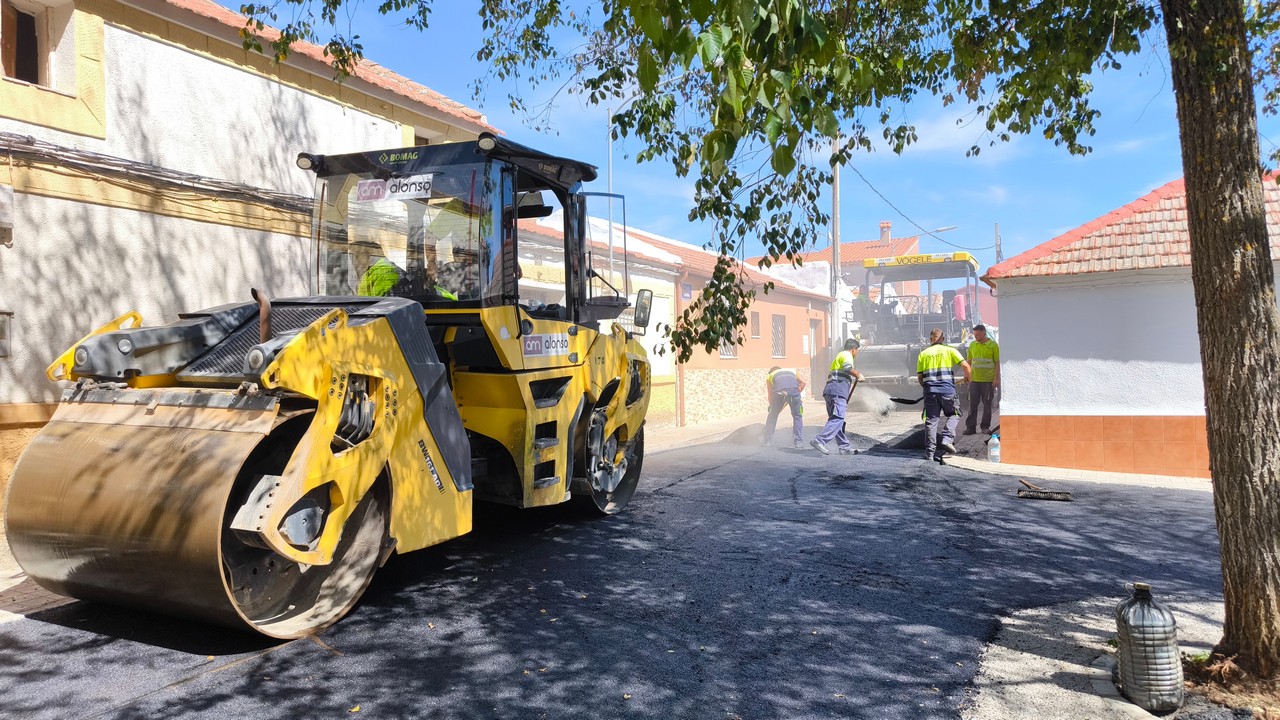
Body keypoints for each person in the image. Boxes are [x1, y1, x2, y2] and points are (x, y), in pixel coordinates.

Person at [917, 328, 972, 463]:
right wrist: (968, 378)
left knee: (931, 420)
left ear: (930, 340)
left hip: (930, 391)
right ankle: (947, 439)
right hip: (947, 391)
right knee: (955, 414)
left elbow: (920, 377)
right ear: (943, 338)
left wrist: (926, 388)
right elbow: (966, 366)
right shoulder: (950, 350)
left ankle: (929, 454)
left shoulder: (923, 354)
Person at [811, 339, 864, 456]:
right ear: (853, 349)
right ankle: (819, 440)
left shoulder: (838, 356)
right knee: (838, 418)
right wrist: (858, 375)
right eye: (857, 351)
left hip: (831, 390)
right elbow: (847, 368)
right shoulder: (847, 354)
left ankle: (844, 447)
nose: (857, 353)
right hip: (838, 391)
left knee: (836, 421)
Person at [964, 324, 1000, 435]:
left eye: (978, 335)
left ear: (984, 333)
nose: (976, 337)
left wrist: (996, 378)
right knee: (972, 404)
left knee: (987, 404)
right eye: (975, 335)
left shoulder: (993, 345)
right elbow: (969, 361)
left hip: (988, 381)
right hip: (974, 380)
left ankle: (985, 427)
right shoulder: (973, 345)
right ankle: (970, 428)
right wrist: (967, 374)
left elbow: (997, 363)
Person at [762, 366, 807, 448]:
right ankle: (798, 442)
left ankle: (767, 440)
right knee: (797, 416)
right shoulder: (792, 370)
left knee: (773, 416)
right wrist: (796, 393)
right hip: (794, 393)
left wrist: (772, 406)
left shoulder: (770, 376)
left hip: (779, 393)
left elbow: (770, 394)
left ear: (772, 371)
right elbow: (803, 382)